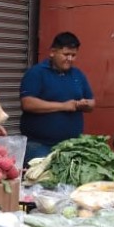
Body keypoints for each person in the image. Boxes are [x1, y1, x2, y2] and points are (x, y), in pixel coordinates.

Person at [19, 31, 95, 164]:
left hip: (71, 146)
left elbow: (92, 102)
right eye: (66, 54)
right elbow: (28, 103)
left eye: (73, 55)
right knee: (43, 181)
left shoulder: (77, 75)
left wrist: (85, 104)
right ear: (53, 52)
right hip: (40, 146)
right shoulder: (37, 73)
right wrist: (63, 106)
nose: (70, 59)